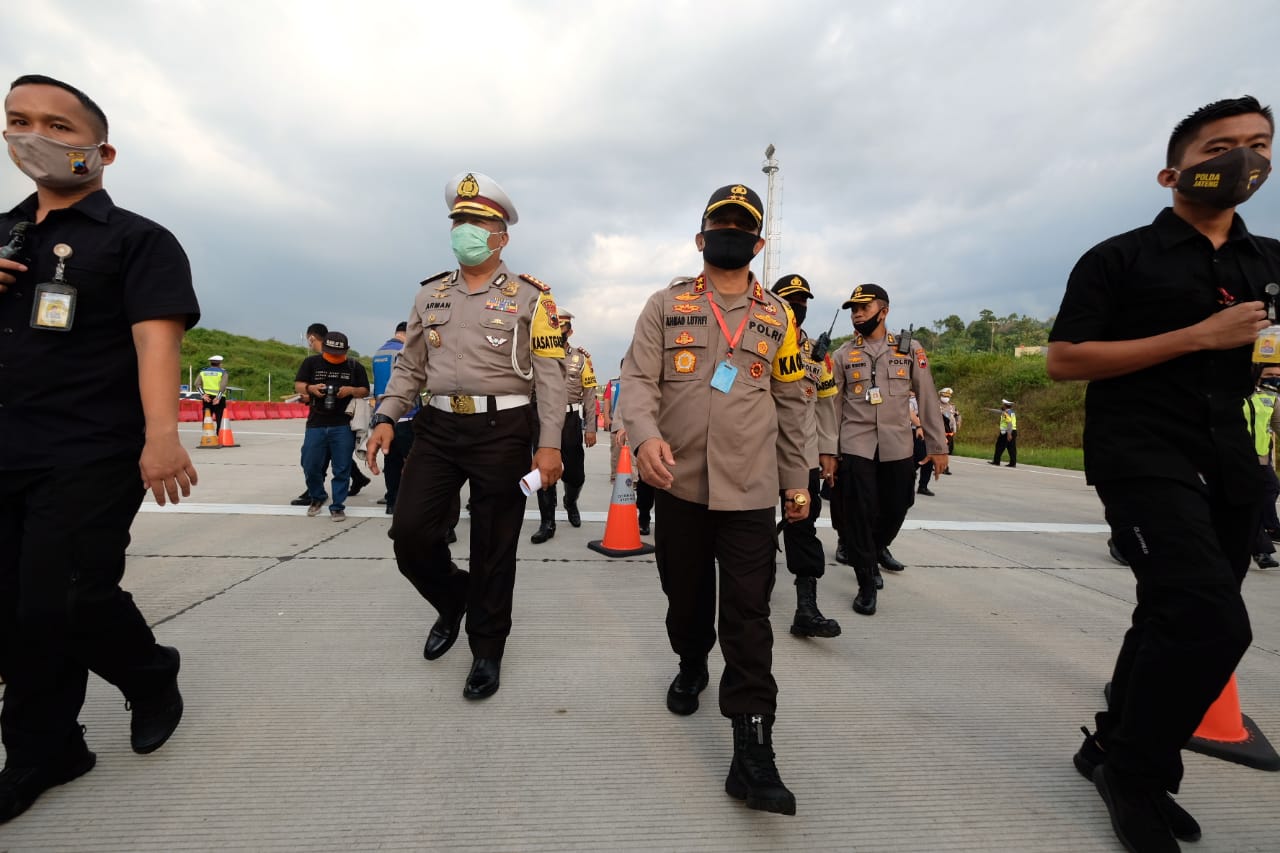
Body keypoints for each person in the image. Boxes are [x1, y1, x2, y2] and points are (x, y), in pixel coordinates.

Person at [1047, 95, 1278, 851]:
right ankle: (1138, 773)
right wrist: (1197, 335)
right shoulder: (1119, 258)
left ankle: (1110, 744)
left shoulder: (1267, 260)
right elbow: (1065, 359)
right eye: (1220, 147)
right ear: (1172, 171)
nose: (1242, 159)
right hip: (1143, 453)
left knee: (1171, 615)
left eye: (1258, 145)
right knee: (1213, 621)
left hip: (1233, 460)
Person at [0, 75, 199, 822]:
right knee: (13, 606)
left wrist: (162, 437)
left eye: (57, 124)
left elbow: (157, 340)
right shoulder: (1, 231)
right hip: (7, 443)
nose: (34, 135)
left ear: (100, 150)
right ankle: (53, 746)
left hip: (89, 447)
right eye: (18, 120)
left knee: (69, 593)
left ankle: (147, 675)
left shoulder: (137, 240)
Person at [620, 183, 809, 815]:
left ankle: (753, 748)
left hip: (752, 489)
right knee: (686, 594)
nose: (729, 236)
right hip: (680, 483)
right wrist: (643, 437)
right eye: (718, 226)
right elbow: (638, 381)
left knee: (750, 614)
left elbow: (791, 403)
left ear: (757, 243)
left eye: (742, 228)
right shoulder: (665, 305)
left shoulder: (777, 318)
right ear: (701, 239)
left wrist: (797, 480)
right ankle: (691, 658)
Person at [366, 171, 566, 702]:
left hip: (503, 429)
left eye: (477, 222)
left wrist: (550, 444)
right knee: (409, 535)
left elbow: (550, 375)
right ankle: (454, 599)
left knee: (493, 546)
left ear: (501, 235)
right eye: (459, 221)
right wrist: (386, 417)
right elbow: (410, 367)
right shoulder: (429, 294)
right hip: (436, 426)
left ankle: (486, 647)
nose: (465, 231)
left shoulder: (532, 299)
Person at [818, 284, 949, 616]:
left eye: (864, 308)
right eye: (853, 309)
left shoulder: (909, 350)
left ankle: (874, 552)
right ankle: (865, 580)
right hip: (856, 444)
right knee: (859, 513)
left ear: (884, 311)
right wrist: (829, 452)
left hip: (897, 444)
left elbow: (928, 396)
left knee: (897, 506)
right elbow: (833, 406)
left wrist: (937, 446)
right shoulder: (843, 355)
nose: (857, 314)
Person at [770, 274, 841, 640]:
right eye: (790, 299)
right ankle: (757, 590)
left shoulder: (818, 353)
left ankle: (806, 608)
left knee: (803, 525)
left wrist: (827, 449)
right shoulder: (759, 342)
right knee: (758, 525)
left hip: (803, 456)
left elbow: (826, 405)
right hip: (760, 454)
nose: (798, 307)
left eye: (802, 301)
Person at [531, 308, 597, 542]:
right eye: (554, 327)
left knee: (576, 475)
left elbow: (589, 394)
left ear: (570, 331)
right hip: (541, 417)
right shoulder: (535, 355)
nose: (558, 332)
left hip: (569, 421)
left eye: (562, 328)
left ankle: (571, 502)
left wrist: (591, 427)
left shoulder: (581, 358)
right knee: (543, 473)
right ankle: (547, 523)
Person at [294, 331, 369, 522]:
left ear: (346, 350)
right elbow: (299, 385)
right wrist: (311, 389)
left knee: (342, 467)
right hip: (316, 423)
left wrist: (350, 390)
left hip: (343, 423)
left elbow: (364, 390)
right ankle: (317, 497)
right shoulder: (311, 363)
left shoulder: (354, 366)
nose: (333, 357)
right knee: (310, 464)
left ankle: (337, 506)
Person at [372, 321, 417, 514]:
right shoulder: (405, 352)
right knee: (411, 462)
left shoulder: (379, 353)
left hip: (384, 417)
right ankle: (409, 502)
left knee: (391, 461)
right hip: (407, 415)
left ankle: (392, 501)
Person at [290, 322, 329, 506]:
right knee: (332, 456)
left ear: (312, 337)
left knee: (312, 458)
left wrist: (309, 392)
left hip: (321, 418)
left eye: (309, 340)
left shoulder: (315, 362)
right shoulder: (342, 361)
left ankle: (315, 493)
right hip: (337, 419)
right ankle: (358, 478)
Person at [1245, 365, 1280, 568]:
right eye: (1270, 375)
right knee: (1249, 503)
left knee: (1271, 489)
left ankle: (1271, 528)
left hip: (1261, 459)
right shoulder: (1229, 398)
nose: (1275, 379)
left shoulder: (1269, 398)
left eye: (1278, 376)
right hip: (1233, 459)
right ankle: (1262, 551)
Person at [909, 390, 935, 496]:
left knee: (929, 459)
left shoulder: (931, 402)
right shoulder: (912, 401)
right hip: (914, 431)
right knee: (919, 457)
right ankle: (906, 477)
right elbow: (908, 415)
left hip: (928, 432)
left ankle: (923, 486)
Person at [195, 355, 228, 432]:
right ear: (220, 363)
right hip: (219, 398)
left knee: (207, 417)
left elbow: (197, 383)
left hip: (207, 398)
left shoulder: (203, 371)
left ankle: (207, 436)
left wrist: (203, 394)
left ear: (210, 363)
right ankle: (219, 435)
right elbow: (223, 386)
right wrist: (218, 398)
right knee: (220, 417)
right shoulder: (223, 372)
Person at [939, 386, 960, 473]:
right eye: (944, 396)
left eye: (948, 396)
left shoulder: (952, 407)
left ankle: (943, 466)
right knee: (941, 450)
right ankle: (943, 467)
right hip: (939, 431)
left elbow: (957, 415)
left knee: (946, 450)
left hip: (949, 432)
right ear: (940, 395)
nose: (946, 398)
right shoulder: (935, 405)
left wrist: (958, 422)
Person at [990, 399, 1017, 467]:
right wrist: (989, 409)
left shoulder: (1006, 413)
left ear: (1005, 406)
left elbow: (1009, 423)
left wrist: (1009, 434)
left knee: (999, 446)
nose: (1002, 406)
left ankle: (996, 461)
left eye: (1003, 405)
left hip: (1007, 432)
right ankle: (1013, 463)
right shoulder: (1010, 412)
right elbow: (999, 412)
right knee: (1011, 447)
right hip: (1012, 431)